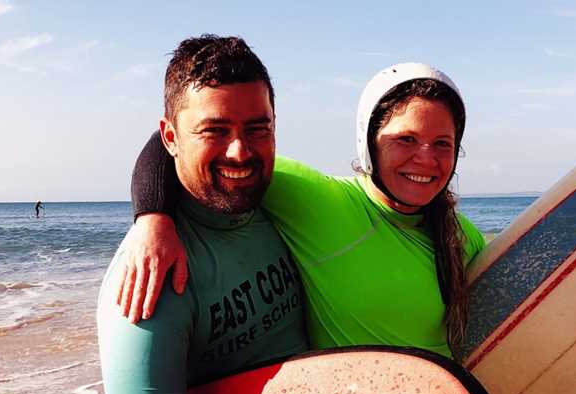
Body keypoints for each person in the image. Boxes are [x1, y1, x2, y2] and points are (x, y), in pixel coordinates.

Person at [121, 63, 485, 360]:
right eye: (405, 139)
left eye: (442, 144)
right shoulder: (316, 201)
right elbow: (175, 142)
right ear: (368, 142)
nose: (426, 158)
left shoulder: (462, 237)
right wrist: (153, 219)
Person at [97, 35, 308, 394]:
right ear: (171, 137)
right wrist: (151, 217)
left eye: (258, 129)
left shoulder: (283, 203)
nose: (241, 151)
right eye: (213, 131)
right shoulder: (148, 278)